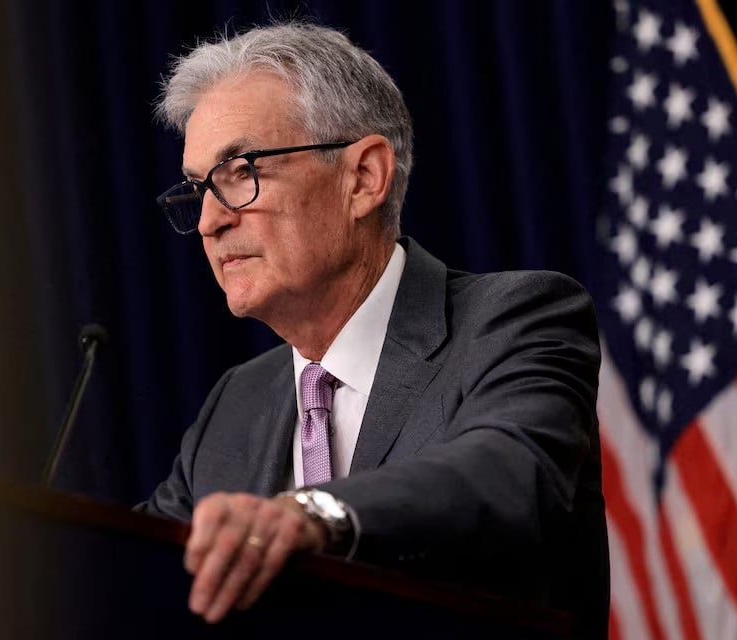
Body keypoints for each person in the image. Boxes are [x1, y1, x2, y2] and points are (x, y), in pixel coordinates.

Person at [141, 20, 608, 636]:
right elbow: (137, 569)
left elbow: (510, 472)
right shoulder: (236, 403)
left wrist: (315, 514)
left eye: (241, 171)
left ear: (363, 177)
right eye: (200, 189)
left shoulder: (516, 320)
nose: (208, 222)